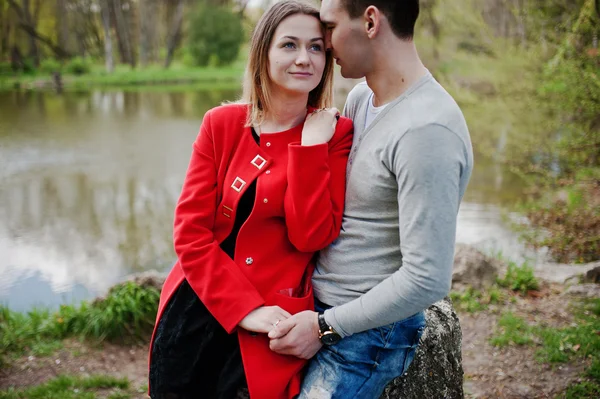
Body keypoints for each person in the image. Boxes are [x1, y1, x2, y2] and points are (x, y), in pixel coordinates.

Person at [268, 0, 474, 397]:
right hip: (314, 304)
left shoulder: (427, 129)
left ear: (370, 21)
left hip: (368, 336)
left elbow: (427, 279)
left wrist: (325, 327)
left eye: (329, 28)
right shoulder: (361, 98)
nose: (324, 45)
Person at [148, 1, 353, 398]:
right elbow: (190, 233)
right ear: (264, 52)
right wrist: (244, 310)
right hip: (198, 304)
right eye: (289, 45)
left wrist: (310, 148)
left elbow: (311, 236)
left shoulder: (335, 133)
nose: (304, 59)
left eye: (315, 47)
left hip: (275, 322)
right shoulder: (221, 124)